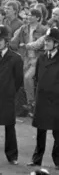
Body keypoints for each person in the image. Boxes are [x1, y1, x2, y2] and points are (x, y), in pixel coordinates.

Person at [28, 27, 59, 170]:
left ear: (56, 43)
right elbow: (36, 77)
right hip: (42, 98)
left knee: (58, 131)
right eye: (46, 40)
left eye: (49, 41)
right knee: (40, 131)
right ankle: (36, 159)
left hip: (57, 100)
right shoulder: (42, 57)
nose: (46, 43)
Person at [0, 25, 23, 165]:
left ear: (6, 41)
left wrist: (9, 91)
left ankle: (12, 156)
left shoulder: (15, 58)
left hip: (7, 96)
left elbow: (18, 79)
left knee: (9, 125)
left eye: (0, 40)